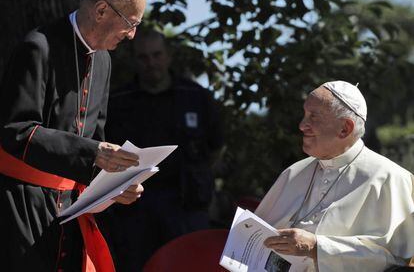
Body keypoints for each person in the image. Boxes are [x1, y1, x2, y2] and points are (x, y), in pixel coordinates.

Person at [0, 0, 146, 271]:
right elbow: (16, 131)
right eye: (130, 23)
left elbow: (96, 141)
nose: (132, 35)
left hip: (69, 210)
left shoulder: (103, 60)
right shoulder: (37, 47)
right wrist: (93, 153)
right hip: (21, 208)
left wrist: (115, 185)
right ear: (102, 10)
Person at [255, 81, 414, 272]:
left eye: (313, 117)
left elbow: (397, 264)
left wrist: (316, 248)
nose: (302, 125)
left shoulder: (390, 178)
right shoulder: (293, 173)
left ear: (345, 128)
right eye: (304, 115)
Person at [100, 29, 224, 271]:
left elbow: (216, 148)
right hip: (134, 210)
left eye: (157, 55)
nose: (151, 63)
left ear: (168, 57)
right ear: (135, 60)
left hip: (186, 206)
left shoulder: (196, 97)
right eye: (143, 57)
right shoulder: (118, 102)